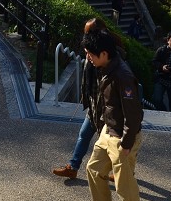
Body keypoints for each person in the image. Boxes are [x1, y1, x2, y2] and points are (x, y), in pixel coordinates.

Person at [76, 29, 143, 201]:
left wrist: (126, 143)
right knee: (94, 169)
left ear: (104, 53)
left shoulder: (122, 76)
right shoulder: (104, 67)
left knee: (124, 186)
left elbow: (134, 115)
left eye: (90, 54)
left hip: (123, 137)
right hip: (108, 130)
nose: (88, 57)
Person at [52, 18, 122, 182]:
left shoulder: (109, 52)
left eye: (89, 32)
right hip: (93, 105)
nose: (86, 36)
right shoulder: (91, 49)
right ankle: (73, 167)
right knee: (84, 135)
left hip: (107, 107)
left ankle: (124, 171)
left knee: (111, 144)